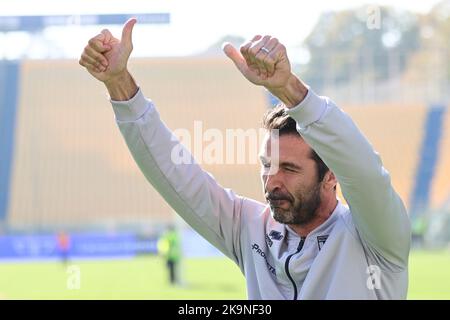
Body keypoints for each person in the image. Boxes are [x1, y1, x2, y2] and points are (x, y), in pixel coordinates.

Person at [79, 19, 411, 299]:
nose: (272, 180)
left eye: (290, 168)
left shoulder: (376, 238)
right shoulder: (250, 228)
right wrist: (117, 81)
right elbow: (174, 174)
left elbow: (365, 172)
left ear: (331, 176)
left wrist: (290, 89)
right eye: (266, 165)